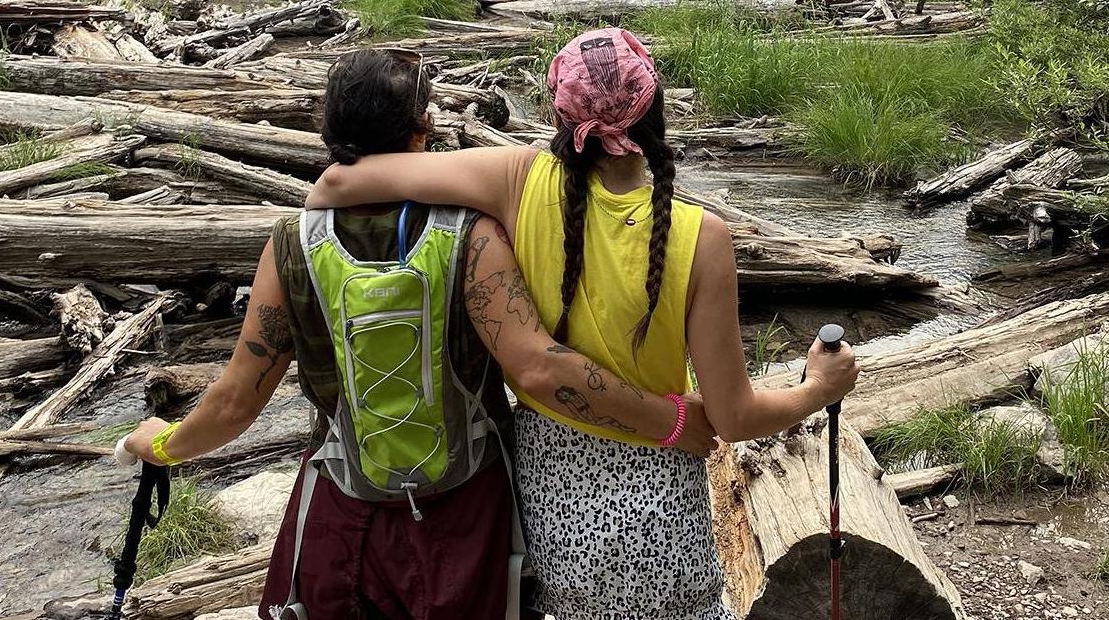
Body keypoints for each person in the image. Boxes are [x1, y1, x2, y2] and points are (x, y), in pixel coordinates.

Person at [121, 49, 714, 620]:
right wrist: (676, 422)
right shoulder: (472, 235)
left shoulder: (291, 245)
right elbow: (538, 366)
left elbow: (234, 401)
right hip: (466, 515)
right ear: (421, 130)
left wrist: (164, 444)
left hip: (346, 511)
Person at [306, 28, 860, 620]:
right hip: (663, 512)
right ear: (655, 111)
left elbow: (334, 184)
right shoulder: (702, 239)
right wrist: (818, 388)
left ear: (558, 115)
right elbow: (735, 418)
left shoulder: (516, 178)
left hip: (548, 504)